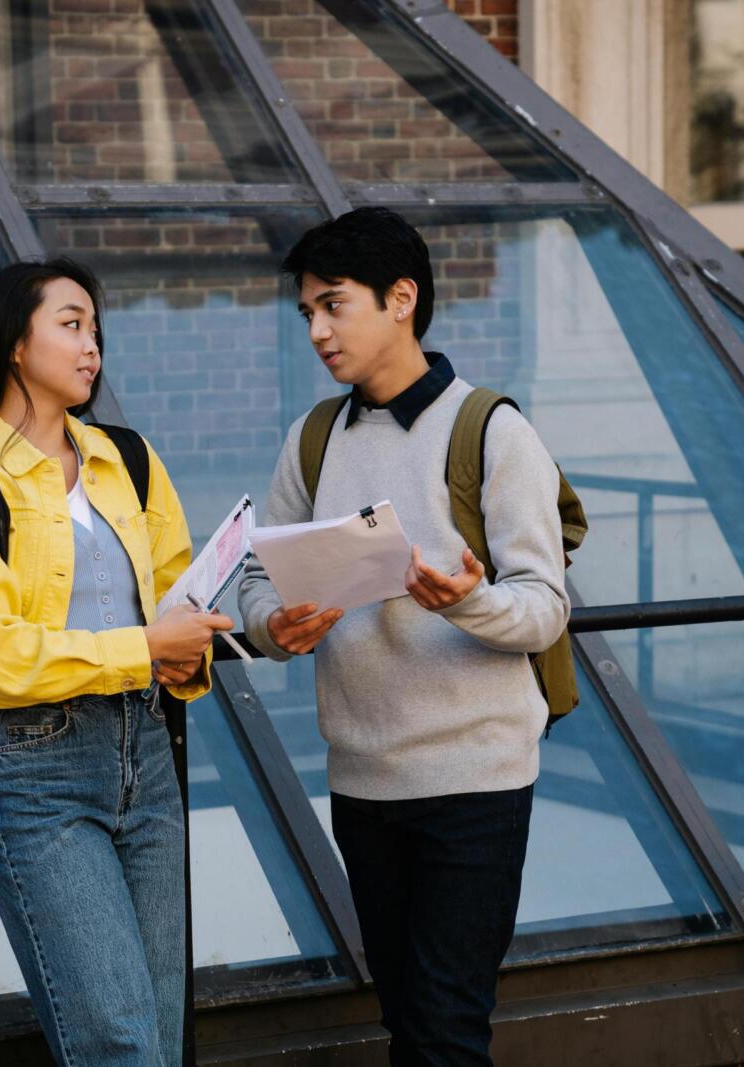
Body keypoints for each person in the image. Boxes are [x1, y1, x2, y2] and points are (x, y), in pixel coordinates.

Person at [238, 208, 570, 1065]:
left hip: (477, 783)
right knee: (409, 1027)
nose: (315, 330)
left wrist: (464, 600)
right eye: (306, 311)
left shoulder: (492, 431)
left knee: (446, 1033)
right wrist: (275, 625)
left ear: (401, 299)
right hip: (363, 783)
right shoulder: (312, 439)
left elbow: (543, 608)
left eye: (332, 306)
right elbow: (253, 578)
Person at [0, 258, 232, 1066]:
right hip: (33, 769)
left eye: (96, 328)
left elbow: (176, 602)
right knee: (117, 1043)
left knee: (158, 1034)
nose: (93, 346)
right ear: (15, 344)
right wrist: (148, 647)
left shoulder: (129, 459)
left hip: (146, 756)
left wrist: (218, 633)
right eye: (72, 324)